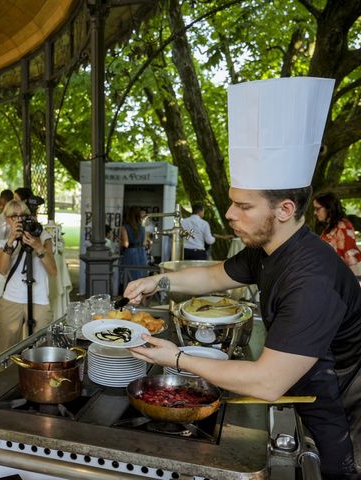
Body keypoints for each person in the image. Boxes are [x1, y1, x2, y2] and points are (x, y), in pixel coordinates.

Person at [124, 77, 361, 479]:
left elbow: (267, 381)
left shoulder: (312, 279)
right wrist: (159, 282)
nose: (230, 215)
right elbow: (217, 275)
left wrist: (177, 358)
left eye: (243, 206)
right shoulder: (268, 249)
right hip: (305, 386)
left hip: (341, 407)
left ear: (285, 209)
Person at [0, 199, 57, 350]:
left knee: (41, 350)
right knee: (8, 351)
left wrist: (37, 246)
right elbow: (2, 270)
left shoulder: (43, 237)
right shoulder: (3, 242)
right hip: (11, 300)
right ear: (6, 219)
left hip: (39, 300)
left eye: (22, 215)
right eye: (13, 216)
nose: (18, 219)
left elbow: (53, 271)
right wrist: (11, 241)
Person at [313, 191, 361, 274]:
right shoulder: (330, 227)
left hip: (341, 280)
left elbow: (351, 259)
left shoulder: (343, 226)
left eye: (317, 209)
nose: (315, 212)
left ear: (329, 208)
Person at [120, 206, 148, 282]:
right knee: (141, 278)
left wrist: (120, 241)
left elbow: (126, 244)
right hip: (141, 252)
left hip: (130, 253)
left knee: (130, 278)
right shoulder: (142, 228)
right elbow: (144, 243)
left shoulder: (125, 227)